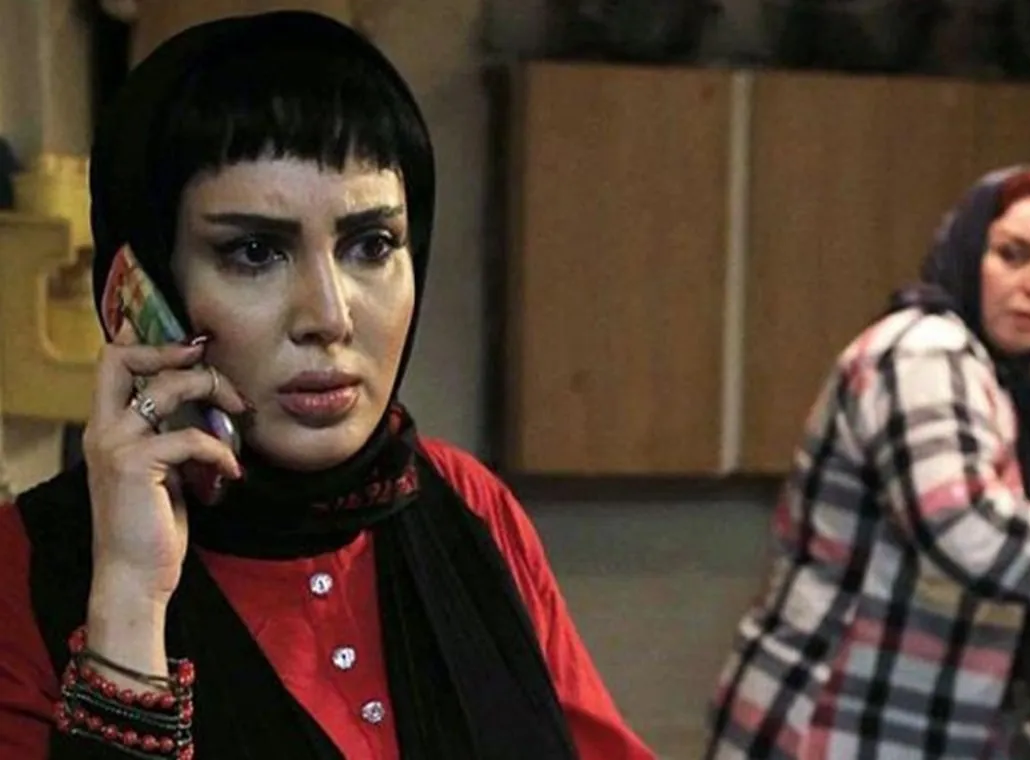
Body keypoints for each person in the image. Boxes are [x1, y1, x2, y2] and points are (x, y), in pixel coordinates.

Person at [0, 11, 655, 760]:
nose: (330, 317)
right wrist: (127, 599)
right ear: (139, 287)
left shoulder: (465, 505)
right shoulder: (28, 568)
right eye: (255, 251)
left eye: (372, 245)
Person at [703, 165, 1030, 759]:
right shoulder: (926, 352)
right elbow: (964, 526)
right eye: (1013, 254)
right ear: (967, 248)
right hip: (834, 726)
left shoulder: (984, 369)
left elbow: (951, 501)